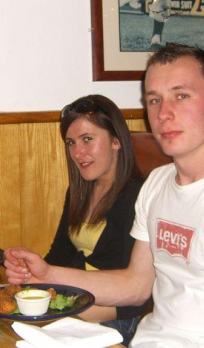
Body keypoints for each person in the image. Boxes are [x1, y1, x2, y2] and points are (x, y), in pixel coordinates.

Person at [5, 43, 204, 347]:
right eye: (154, 100)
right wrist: (48, 273)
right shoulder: (157, 183)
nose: (163, 114)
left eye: (181, 96)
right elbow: (136, 286)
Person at [45, 94, 147, 345]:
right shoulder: (79, 191)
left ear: (116, 140)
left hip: (117, 318)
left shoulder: (138, 197)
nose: (78, 153)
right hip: (74, 304)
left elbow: (136, 298)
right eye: (71, 143)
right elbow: (59, 255)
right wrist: (29, 279)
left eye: (87, 139)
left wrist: (64, 313)